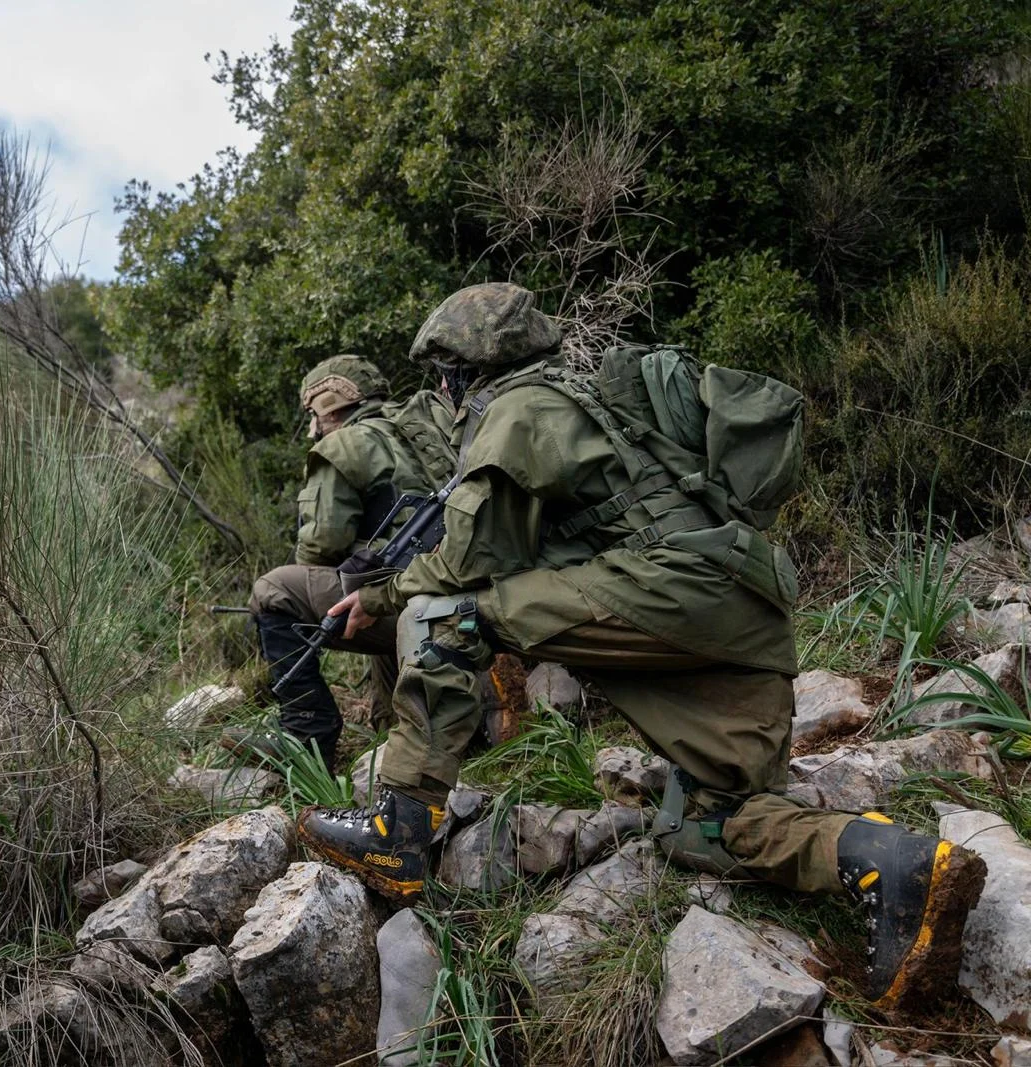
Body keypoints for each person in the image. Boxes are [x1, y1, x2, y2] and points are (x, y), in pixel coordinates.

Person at [298, 283, 986, 1016]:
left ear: (466, 371)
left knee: (442, 617)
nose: (441, 387)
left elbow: (468, 562)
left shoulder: (521, 411)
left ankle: (398, 830)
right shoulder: (598, 400)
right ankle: (893, 862)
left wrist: (378, 597)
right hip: (745, 618)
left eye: (445, 372)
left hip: (676, 595)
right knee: (711, 826)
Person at [220, 354, 454, 773]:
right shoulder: (428, 426)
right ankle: (396, 725)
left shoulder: (344, 446)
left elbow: (319, 549)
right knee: (378, 570)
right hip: (460, 593)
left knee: (275, 591)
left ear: (329, 404)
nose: (313, 428)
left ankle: (307, 733)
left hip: (415, 599)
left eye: (313, 414)